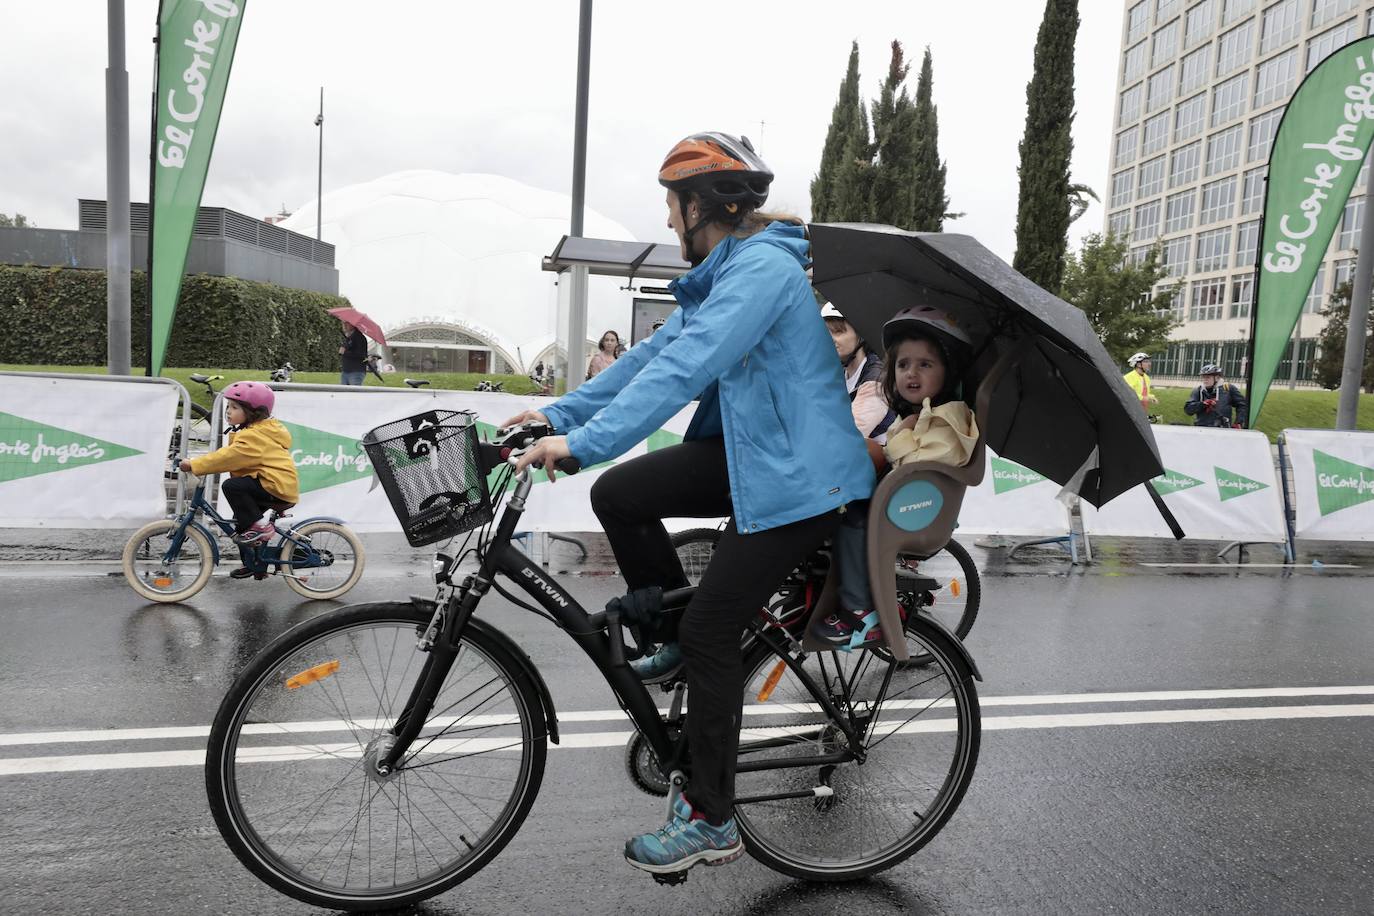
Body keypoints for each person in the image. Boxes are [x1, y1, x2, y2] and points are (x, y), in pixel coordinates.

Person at [500, 131, 873, 876]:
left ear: (702, 205)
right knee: (622, 494)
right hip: (754, 457)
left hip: (803, 480)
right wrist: (559, 417)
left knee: (712, 629)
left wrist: (581, 444)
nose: (669, 223)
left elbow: (687, 368)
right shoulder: (729, 273)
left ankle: (711, 817)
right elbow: (648, 358)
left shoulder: (763, 272)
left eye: (673, 206)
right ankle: (670, 636)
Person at [811, 305, 979, 649]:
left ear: (948, 372)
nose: (911, 373)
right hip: (903, 496)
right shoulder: (921, 415)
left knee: (853, 516)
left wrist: (901, 435)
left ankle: (859, 609)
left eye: (925, 364)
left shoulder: (949, 416)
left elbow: (922, 460)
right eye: (903, 365)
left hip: (914, 505)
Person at [178, 381, 299, 578]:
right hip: (271, 485)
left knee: (232, 486)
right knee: (243, 527)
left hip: (275, 487)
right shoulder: (255, 432)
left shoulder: (255, 436)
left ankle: (261, 528)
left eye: (234, 407)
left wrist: (194, 464)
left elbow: (228, 457)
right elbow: (231, 455)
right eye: (228, 406)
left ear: (253, 413)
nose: (228, 411)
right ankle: (257, 566)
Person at [821, 301, 895, 441]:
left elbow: (854, 430)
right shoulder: (837, 373)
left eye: (838, 331)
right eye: (826, 332)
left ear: (861, 334)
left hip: (883, 457)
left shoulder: (877, 377)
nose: (829, 339)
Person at [1185, 363, 1248, 428]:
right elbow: (1188, 410)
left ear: (1217, 378)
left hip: (1223, 429)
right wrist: (1203, 404)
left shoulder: (1228, 389)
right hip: (1202, 428)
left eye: (1208, 377)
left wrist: (1238, 422)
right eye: (1203, 377)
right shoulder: (1198, 391)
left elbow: (1242, 405)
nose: (1205, 380)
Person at [339, 320, 368, 385]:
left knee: (354, 394)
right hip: (346, 371)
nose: (344, 325)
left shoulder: (359, 338)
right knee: (343, 394)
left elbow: (360, 354)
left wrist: (345, 352)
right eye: (343, 323)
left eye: (347, 323)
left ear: (353, 324)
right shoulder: (349, 338)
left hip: (356, 372)